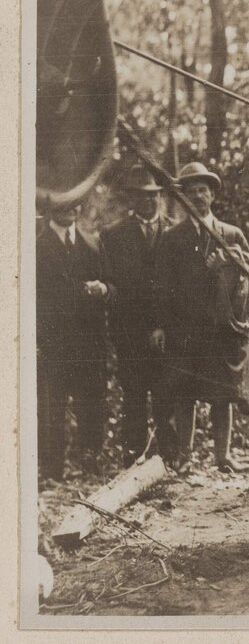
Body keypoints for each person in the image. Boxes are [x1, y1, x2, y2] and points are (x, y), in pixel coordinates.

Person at [153, 162, 249, 474]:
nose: (198, 196)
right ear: (183, 198)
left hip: (222, 329)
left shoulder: (232, 234)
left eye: (203, 190)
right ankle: (185, 457)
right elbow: (163, 286)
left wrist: (229, 266)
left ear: (212, 195)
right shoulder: (172, 238)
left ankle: (222, 456)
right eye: (191, 192)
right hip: (185, 329)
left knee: (222, 395)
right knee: (185, 393)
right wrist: (161, 325)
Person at [101, 165, 175, 468]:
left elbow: (181, 287)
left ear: (160, 196)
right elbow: (112, 284)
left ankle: (171, 458)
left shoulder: (175, 231)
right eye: (141, 195)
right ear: (131, 198)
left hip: (168, 332)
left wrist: (164, 325)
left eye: (153, 195)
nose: (148, 200)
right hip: (130, 332)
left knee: (167, 395)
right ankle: (134, 459)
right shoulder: (113, 235)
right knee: (133, 395)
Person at [36, 203, 110, 481]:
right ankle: (52, 470)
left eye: (74, 201)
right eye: (63, 201)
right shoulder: (36, 247)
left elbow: (112, 283)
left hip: (89, 343)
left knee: (91, 404)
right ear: (49, 205)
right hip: (53, 344)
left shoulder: (93, 243)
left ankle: (90, 465)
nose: (70, 208)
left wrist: (104, 289)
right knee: (52, 407)